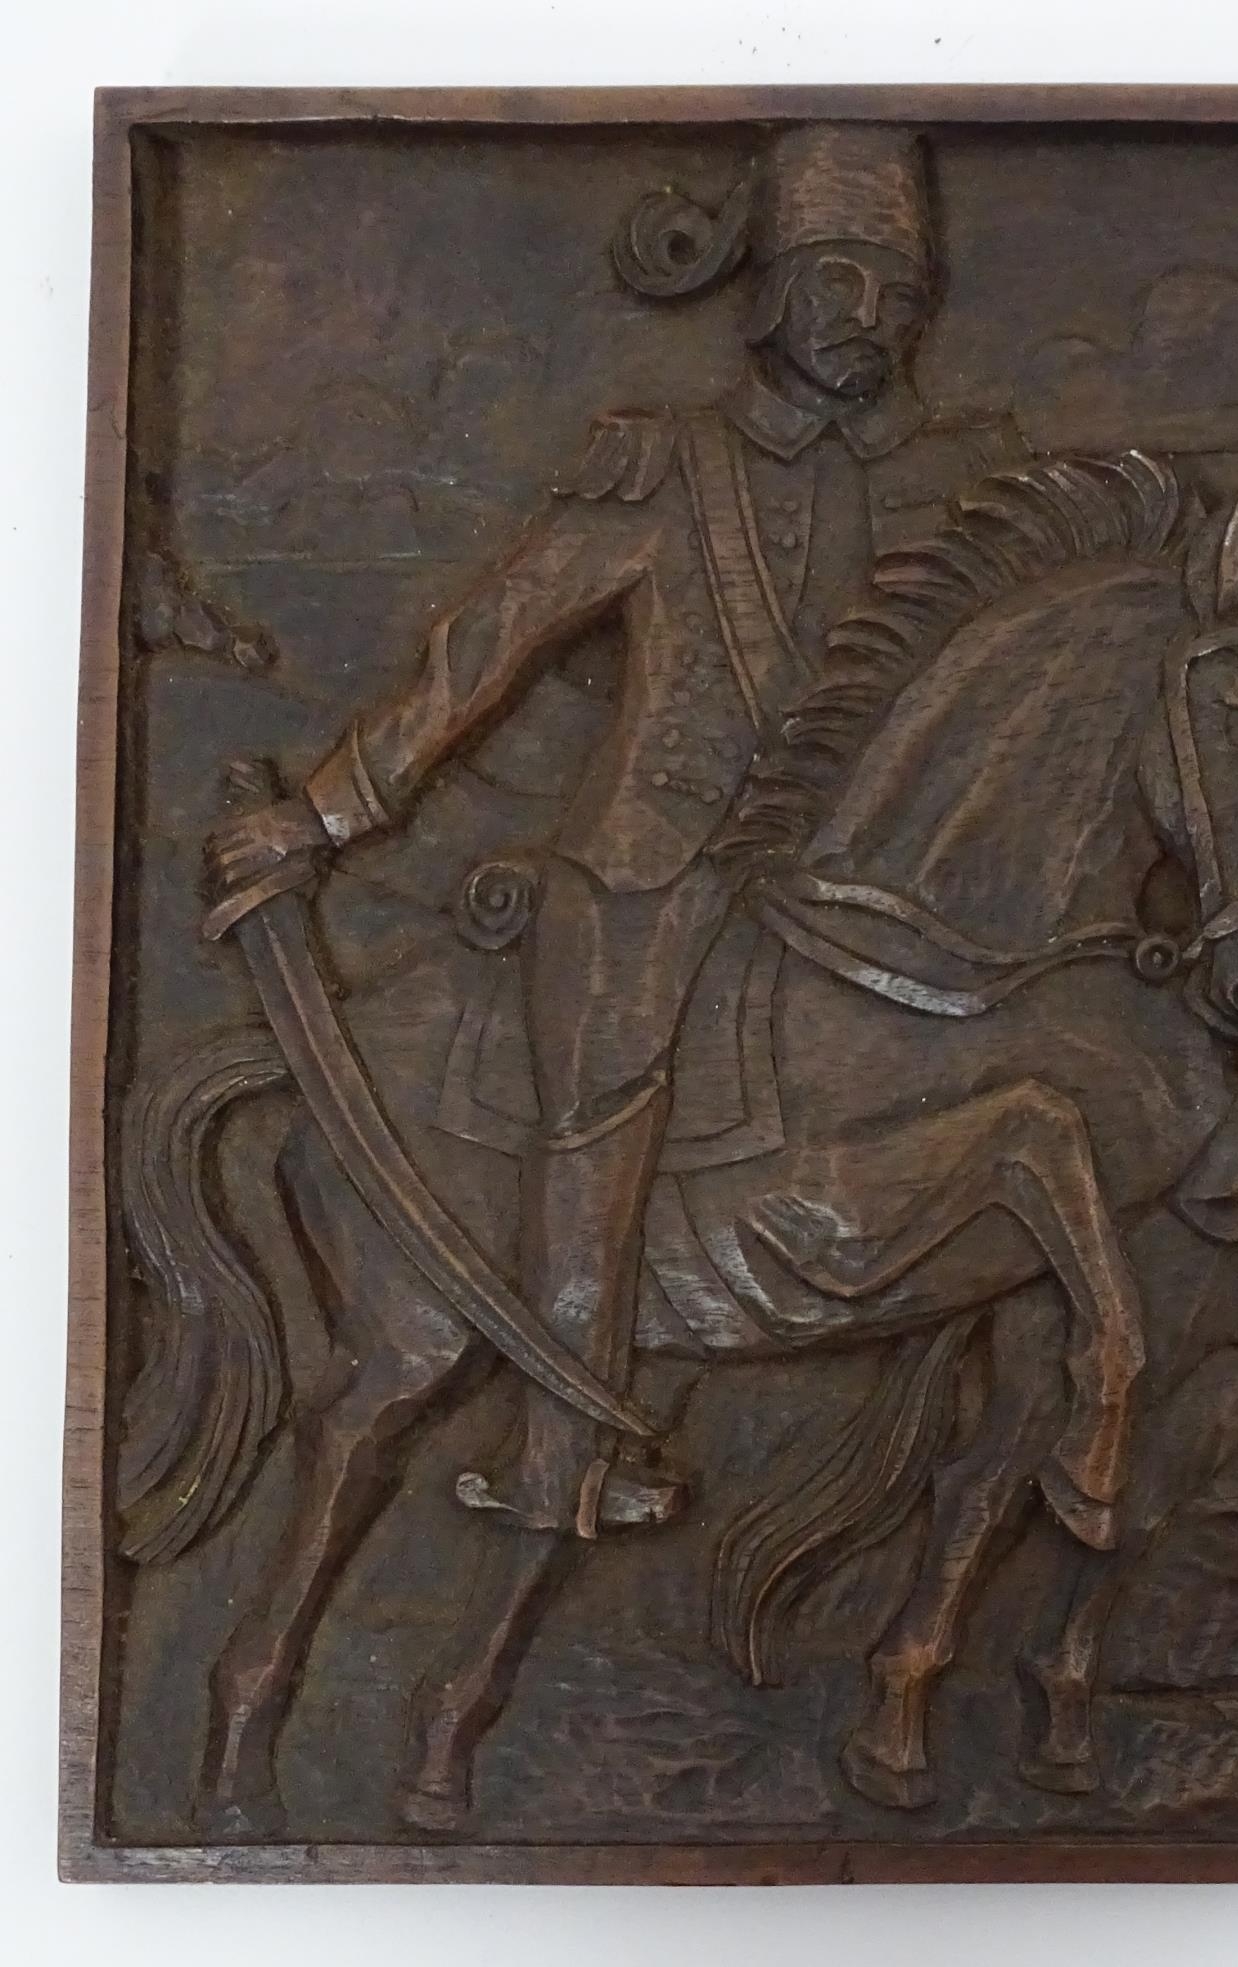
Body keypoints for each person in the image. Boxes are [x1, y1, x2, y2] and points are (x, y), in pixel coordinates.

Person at [206, 124, 1020, 1538]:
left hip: (857, 883)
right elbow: (493, 639)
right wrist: (326, 814)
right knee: (603, 1107)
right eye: (838, 280)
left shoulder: (949, 483)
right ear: (768, 290)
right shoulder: (663, 468)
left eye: (899, 291)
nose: (868, 318)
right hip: (650, 873)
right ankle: (561, 1449)